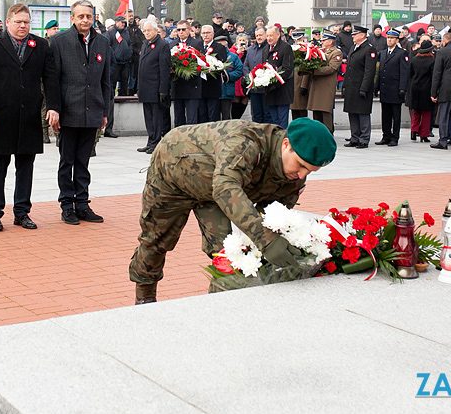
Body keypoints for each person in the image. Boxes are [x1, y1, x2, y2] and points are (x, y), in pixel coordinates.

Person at [128, 118, 337, 304]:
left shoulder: (294, 176)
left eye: (309, 171)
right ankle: (144, 298)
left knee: (227, 251)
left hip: (213, 191)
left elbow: (271, 217)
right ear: (286, 144)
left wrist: (273, 241)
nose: (301, 175)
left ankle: (222, 303)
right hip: (174, 171)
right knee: (156, 239)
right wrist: (266, 240)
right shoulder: (246, 142)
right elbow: (225, 188)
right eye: (300, 165)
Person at [0, 3, 59, 232]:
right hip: (0, 114)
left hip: (29, 114)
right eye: (18, 22)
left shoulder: (39, 45)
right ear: (8, 21)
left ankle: (22, 212)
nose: (23, 26)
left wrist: (53, 106)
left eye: (27, 22)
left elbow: (50, 78)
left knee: (26, 166)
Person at [48, 0, 110, 225]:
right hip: (68, 111)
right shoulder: (59, 42)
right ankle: (67, 205)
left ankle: (82, 204)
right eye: (81, 16)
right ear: (72, 18)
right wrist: (54, 109)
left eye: (89, 16)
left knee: (84, 161)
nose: (85, 20)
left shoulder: (102, 42)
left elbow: (106, 80)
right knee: (67, 161)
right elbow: (52, 80)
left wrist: (105, 110)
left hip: (93, 110)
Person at [136, 18, 171, 153]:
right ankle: (150, 141)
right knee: (148, 117)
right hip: (145, 88)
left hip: (155, 88)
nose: (146, 33)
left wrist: (163, 89)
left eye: (149, 30)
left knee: (156, 118)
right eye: (144, 31)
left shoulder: (162, 45)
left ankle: (156, 142)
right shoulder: (145, 44)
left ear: (156, 30)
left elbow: (164, 69)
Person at [342, 25, 377, 148]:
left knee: (362, 113)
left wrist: (364, 88)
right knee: (352, 112)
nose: (352, 36)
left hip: (361, 87)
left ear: (362, 35)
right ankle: (355, 137)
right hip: (352, 86)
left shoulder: (369, 49)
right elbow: (349, 69)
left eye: (355, 34)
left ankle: (364, 138)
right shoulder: (354, 48)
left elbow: (369, 71)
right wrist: (345, 85)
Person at [375, 29, 409, 146]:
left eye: (392, 38)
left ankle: (395, 137)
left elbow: (404, 72)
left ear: (396, 40)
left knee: (396, 116)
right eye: (388, 38)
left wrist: (402, 88)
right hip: (385, 88)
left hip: (395, 89)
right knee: (385, 115)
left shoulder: (401, 53)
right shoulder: (383, 52)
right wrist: (377, 86)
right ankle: (386, 136)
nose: (389, 40)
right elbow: (380, 71)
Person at [306, 31, 344, 133]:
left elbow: (331, 68)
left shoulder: (336, 52)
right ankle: (318, 135)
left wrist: (315, 70)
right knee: (316, 114)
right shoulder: (320, 51)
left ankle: (328, 135)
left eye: (324, 40)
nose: (322, 42)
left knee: (325, 113)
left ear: (330, 42)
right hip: (317, 86)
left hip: (326, 87)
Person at [169, 20, 204, 127]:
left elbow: (202, 62)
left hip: (191, 85)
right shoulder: (172, 44)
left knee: (191, 119)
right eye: (178, 30)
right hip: (177, 85)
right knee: (178, 119)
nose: (180, 32)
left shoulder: (196, 43)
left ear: (189, 30)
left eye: (183, 29)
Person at [261, 24, 294, 129]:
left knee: (282, 120)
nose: (269, 38)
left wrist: (275, 82)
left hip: (282, 90)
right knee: (273, 120)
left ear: (278, 35)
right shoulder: (265, 49)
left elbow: (287, 69)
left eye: (271, 35)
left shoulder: (285, 47)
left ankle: (283, 141)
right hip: (270, 90)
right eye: (268, 36)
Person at [406, 41, 435, 142]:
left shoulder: (414, 59)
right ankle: (424, 134)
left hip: (415, 87)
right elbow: (433, 76)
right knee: (426, 113)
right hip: (427, 89)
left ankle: (413, 130)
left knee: (416, 111)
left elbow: (410, 74)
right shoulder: (432, 60)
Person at [199, 24, 229, 123]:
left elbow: (222, 65)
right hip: (200, 87)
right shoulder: (197, 46)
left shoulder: (219, 48)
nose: (205, 35)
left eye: (208, 33)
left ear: (213, 34)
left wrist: (211, 68)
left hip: (213, 86)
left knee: (213, 115)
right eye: (203, 33)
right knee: (202, 115)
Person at [242, 27, 268, 123]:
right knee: (256, 115)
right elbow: (246, 65)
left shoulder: (269, 48)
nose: (259, 37)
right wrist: (249, 78)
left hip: (265, 88)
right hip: (254, 89)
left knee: (267, 115)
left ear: (265, 35)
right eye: (257, 35)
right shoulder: (251, 49)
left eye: (261, 35)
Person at [217, 35, 243, 121]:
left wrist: (228, 76)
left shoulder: (233, 57)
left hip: (227, 92)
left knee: (226, 117)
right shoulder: (212, 56)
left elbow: (239, 71)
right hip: (214, 92)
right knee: (214, 117)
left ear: (226, 45)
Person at [230, 33, 251, 120]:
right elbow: (231, 63)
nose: (241, 42)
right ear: (236, 41)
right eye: (240, 40)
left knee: (245, 99)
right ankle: (235, 119)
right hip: (236, 79)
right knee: (236, 99)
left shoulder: (249, 51)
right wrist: (237, 53)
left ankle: (239, 118)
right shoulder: (232, 50)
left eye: (244, 41)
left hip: (245, 77)